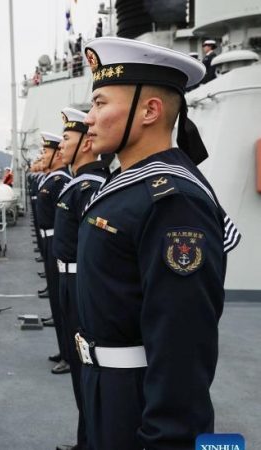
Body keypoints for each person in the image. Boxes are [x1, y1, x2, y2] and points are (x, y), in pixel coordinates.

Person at [77, 37, 240, 449]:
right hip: (107, 387)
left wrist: (168, 439)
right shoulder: (128, 187)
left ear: (149, 111)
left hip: (136, 401)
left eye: (99, 104)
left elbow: (183, 344)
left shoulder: (173, 201)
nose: (89, 119)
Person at [52, 107, 108, 450]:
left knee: (85, 366)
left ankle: (90, 441)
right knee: (79, 367)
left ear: (87, 143)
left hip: (80, 283)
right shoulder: (79, 183)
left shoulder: (91, 186)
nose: (60, 147)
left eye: (67, 140)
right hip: (67, 279)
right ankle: (85, 439)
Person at [34, 132, 72, 375]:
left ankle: (69, 355)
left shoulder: (61, 181)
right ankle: (63, 349)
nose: (43, 156)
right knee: (57, 302)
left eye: (46, 151)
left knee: (63, 304)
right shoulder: (53, 179)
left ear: (58, 154)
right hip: (49, 241)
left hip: (56, 242)